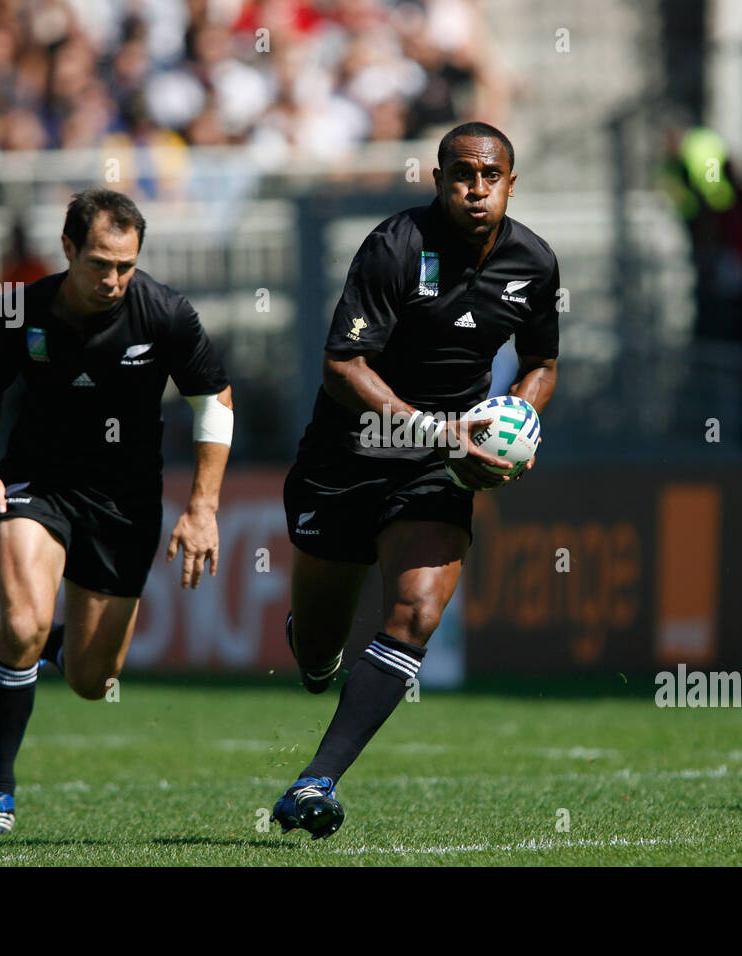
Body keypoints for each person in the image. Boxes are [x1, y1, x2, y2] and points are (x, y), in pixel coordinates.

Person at [270, 122, 560, 839]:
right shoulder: (395, 247)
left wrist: (515, 419)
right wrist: (430, 426)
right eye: (462, 174)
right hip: (349, 455)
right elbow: (341, 365)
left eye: (491, 176)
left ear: (511, 184)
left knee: (418, 614)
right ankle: (315, 647)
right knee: (315, 655)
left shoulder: (535, 263)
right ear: (437, 181)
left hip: (442, 464)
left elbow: (543, 362)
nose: (476, 188)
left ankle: (314, 782)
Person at [0, 188, 233, 833]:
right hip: (36, 487)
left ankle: (55, 648)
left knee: (91, 679)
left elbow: (214, 400)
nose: (114, 279)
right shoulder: (16, 313)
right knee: (21, 626)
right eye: (100, 264)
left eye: (126, 265)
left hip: (125, 504)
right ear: (68, 249)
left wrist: (203, 507)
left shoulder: (165, 314)